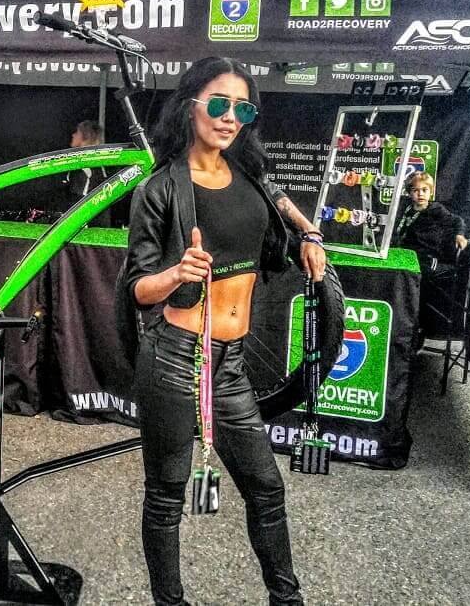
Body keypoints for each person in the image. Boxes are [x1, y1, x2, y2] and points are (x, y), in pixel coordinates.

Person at [122, 57, 327, 606]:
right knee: (166, 497)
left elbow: (284, 206)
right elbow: (137, 287)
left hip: (230, 366)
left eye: (243, 107)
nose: (230, 117)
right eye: (219, 103)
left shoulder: (252, 177)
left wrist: (311, 235)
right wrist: (173, 274)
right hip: (173, 359)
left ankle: (287, 600)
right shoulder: (161, 188)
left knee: (266, 488)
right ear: (191, 105)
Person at [392, 171, 468, 268]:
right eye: (415, 190)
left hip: (426, 257)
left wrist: (460, 235)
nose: (420, 194)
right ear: (409, 193)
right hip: (405, 252)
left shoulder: (436, 209)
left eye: (425, 190)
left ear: (431, 192)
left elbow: (457, 221)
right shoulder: (406, 208)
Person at [56, 120, 113, 226]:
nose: (73, 135)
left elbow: (76, 203)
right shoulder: (99, 162)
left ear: (85, 136)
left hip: (85, 230)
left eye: (77, 132)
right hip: (100, 227)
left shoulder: (83, 166)